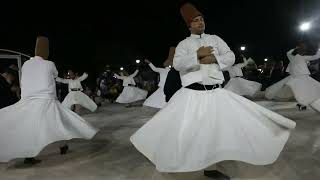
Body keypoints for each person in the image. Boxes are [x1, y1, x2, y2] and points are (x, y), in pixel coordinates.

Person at [130, 3, 296, 179]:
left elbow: (230, 56)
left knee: (216, 131)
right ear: (189, 25)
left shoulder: (215, 39)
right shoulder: (184, 44)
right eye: (195, 20)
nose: (200, 22)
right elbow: (178, 64)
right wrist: (198, 56)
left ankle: (210, 168)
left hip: (216, 93)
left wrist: (213, 58)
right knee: (186, 132)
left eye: (201, 19)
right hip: (192, 95)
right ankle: (177, 160)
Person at [0, 36, 98, 164]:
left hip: (28, 101)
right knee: (57, 124)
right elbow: (55, 75)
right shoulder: (49, 64)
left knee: (30, 127)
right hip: (47, 101)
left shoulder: (26, 64)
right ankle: (62, 146)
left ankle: (29, 155)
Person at [265, 43, 320, 111]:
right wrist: (297, 48)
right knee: (300, 89)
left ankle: (303, 103)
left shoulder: (302, 57)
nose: (303, 52)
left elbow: (315, 56)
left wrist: (318, 49)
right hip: (297, 76)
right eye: (302, 50)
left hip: (302, 76)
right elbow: (288, 53)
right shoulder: (293, 57)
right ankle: (302, 103)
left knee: (304, 89)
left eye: (303, 50)